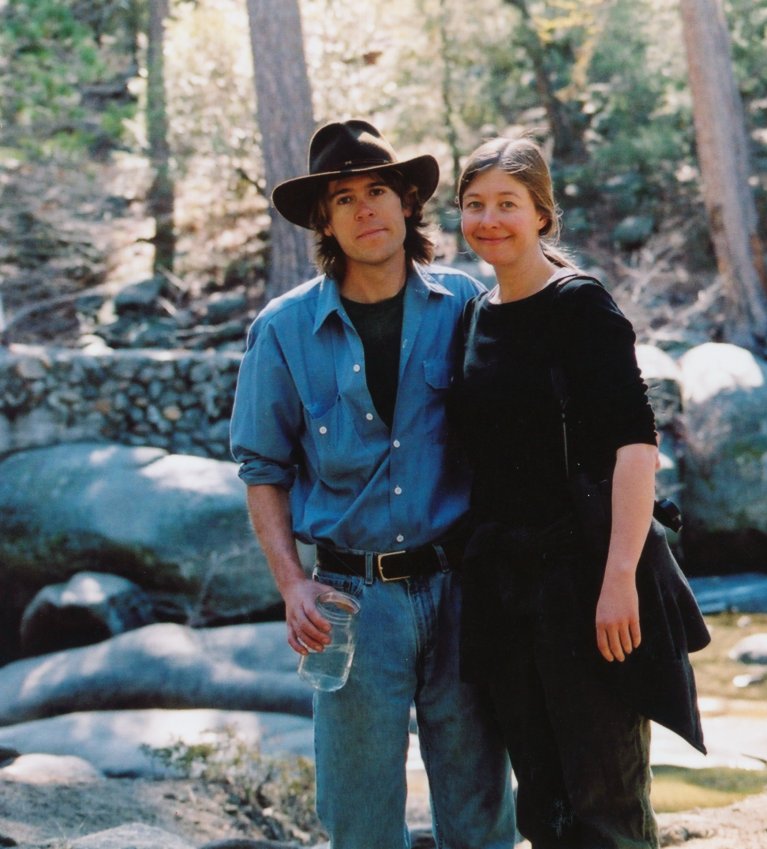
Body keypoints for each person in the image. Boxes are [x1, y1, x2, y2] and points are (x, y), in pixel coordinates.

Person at [229, 120, 516, 849]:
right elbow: (262, 469)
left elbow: (520, 430)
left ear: (408, 202)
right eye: (344, 198)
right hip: (347, 602)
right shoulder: (283, 329)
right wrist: (291, 584)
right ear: (324, 221)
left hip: (462, 589)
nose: (365, 210)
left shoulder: (466, 303)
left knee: (481, 814)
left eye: (378, 190)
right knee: (360, 824)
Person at [449, 136, 708, 849]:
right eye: (474, 204)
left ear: (542, 213)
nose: (489, 220)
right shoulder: (476, 314)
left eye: (507, 203)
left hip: (584, 582)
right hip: (506, 588)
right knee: (543, 803)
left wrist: (619, 578)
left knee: (603, 801)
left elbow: (636, 445)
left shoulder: (580, 306)